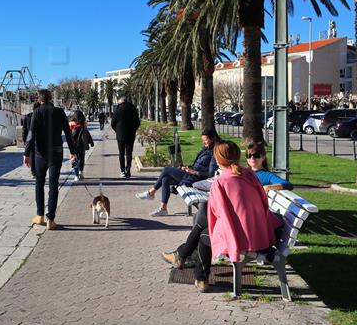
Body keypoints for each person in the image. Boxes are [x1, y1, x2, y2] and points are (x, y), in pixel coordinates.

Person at [162, 140, 284, 292]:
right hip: (260, 234)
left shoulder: (221, 182)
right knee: (204, 221)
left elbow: (217, 214)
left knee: (203, 231)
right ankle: (183, 258)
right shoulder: (249, 175)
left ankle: (195, 271)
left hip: (243, 239)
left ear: (218, 159)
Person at [24, 89, 76, 230]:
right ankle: (51, 220)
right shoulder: (59, 112)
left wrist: (26, 153)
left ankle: (40, 215)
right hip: (56, 152)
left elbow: (31, 134)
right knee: (53, 185)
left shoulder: (37, 112)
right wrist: (73, 152)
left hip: (40, 153)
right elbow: (68, 133)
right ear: (51, 99)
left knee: (39, 183)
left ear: (39, 100)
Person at [135, 128, 219, 216]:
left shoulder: (214, 153)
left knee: (166, 170)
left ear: (212, 139)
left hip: (196, 179)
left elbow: (210, 174)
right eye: (203, 140)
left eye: (205, 140)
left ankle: (151, 193)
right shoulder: (206, 149)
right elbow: (198, 165)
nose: (204, 142)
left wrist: (193, 172)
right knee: (165, 179)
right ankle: (163, 209)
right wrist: (187, 168)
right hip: (190, 174)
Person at [111, 96, 140, 178]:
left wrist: (117, 130)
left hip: (120, 135)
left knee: (121, 153)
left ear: (120, 102)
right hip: (131, 134)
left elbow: (113, 123)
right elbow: (138, 122)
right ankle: (128, 169)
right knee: (129, 152)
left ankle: (122, 170)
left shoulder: (117, 110)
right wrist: (133, 129)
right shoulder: (133, 109)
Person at [70, 110, 94, 181]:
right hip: (82, 145)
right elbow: (87, 134)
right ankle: (81, 172)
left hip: (74, 145)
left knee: (74, 159)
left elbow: (70, 135)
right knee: (82, 159)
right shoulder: (84, 124)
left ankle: (76, 175)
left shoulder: (71, 124)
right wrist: (91, 142)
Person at [21, 102, 40, 176]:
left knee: (32, 155)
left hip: (30, 139)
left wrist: (24, 140)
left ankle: (33, 171)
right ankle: (37, 169)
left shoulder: (27, 117)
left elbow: (24, 130)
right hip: (39, 139)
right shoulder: (40, 116)